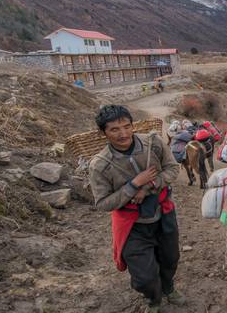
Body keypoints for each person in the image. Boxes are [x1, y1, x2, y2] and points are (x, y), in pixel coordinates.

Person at [89, 105, 186, 313]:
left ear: (132, 125)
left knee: (170, 258)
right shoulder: (99, 165)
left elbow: (173, 169)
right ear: (103, 132)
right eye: (114, 129)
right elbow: (103, 203)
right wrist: (133, 186)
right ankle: (153, 299)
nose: (123, 134)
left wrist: (149, 185)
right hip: (132, 225)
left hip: (163, 214)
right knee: (143, 277)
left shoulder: (154, 143)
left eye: (127, 126)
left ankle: (168, 288)